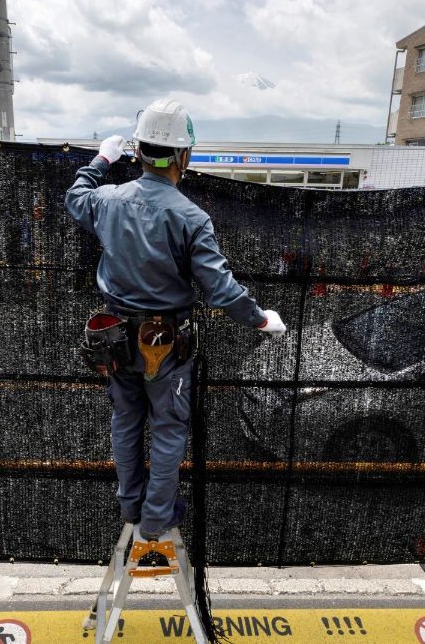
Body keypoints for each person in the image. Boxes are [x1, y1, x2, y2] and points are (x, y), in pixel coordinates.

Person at [66, 98, 286, 541]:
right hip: (165, 342)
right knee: (167, 428)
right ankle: (155, 519)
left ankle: (132, 506)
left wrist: (101, 160)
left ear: (139, 151)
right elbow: (220, 289)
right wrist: (261, 320)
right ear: (183, 157)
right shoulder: (190, 217)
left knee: (126, 419)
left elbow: (75, 197)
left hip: (114, 338)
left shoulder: (108, 200)